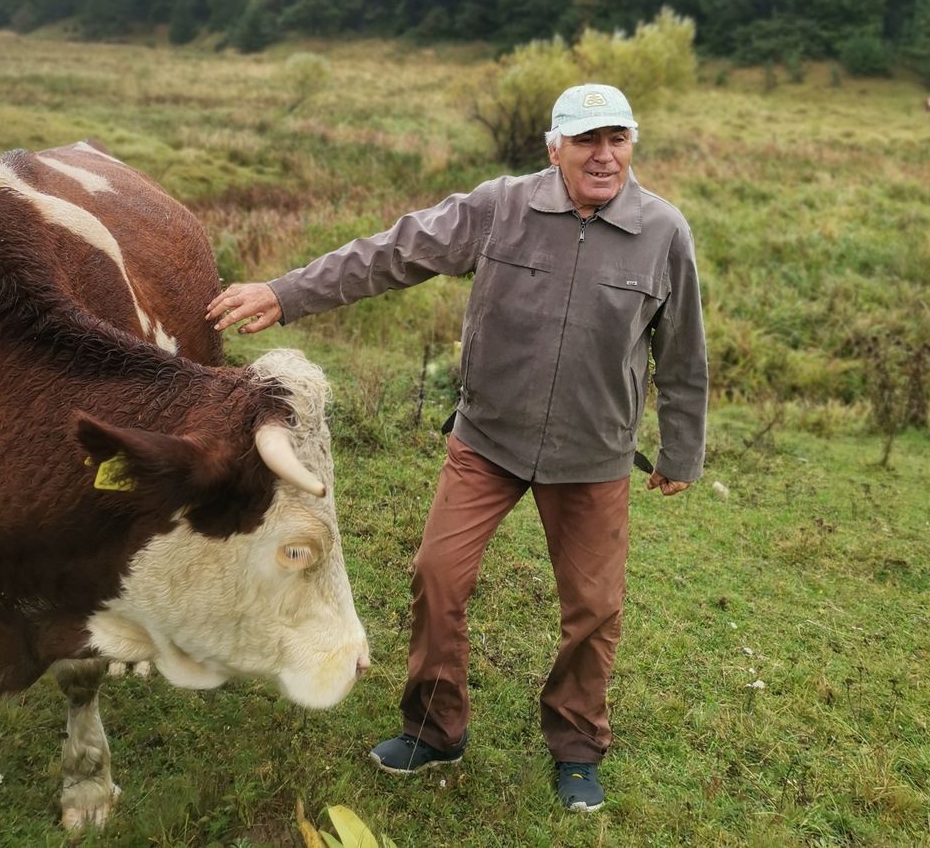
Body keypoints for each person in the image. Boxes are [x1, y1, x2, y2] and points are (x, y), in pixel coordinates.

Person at [205, 84, 707, 813]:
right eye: (588, 140)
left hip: (592, 456)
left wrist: (680, 451)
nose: (605, 156)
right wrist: (287, 293)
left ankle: (575, 745)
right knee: (438, 577)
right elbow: (393, 252)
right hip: (488, 441)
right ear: (554, 147)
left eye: (618, 139)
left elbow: (684, 354)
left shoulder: (665, 232)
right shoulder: (500, 208)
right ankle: (435, 728)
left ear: (632, 142)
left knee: (593, 609)